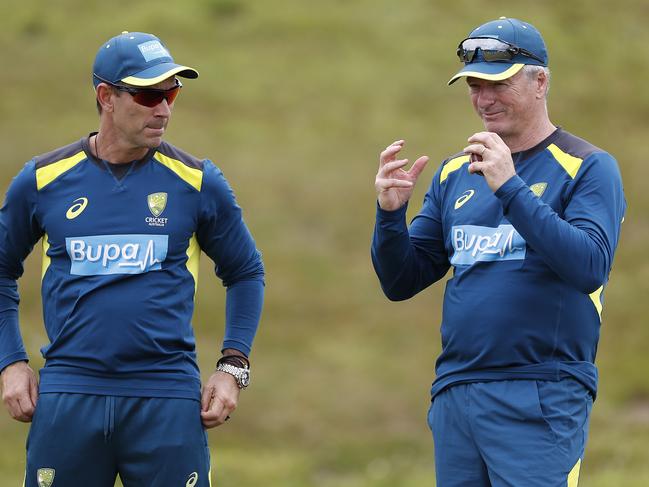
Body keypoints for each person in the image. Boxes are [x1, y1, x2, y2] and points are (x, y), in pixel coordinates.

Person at [0, 31, 264, 487]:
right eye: (147, 94)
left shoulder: (198, 181)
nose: (163, 108)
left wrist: (232, 367)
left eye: (171, 92)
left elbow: (246, 272)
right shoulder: (43, 180)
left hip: (166, 398)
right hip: (69, 394)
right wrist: (10, 361)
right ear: (106, 97)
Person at [372, 17, 625, 486]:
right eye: (474, 85)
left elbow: (590, 265)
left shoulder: (588, 167)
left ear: (540, 81)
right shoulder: (453, 174)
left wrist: (510, 187)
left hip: (541, 393)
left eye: (498, 83)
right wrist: (390, 216)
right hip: (457, 394)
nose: (483, 99)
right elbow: (401, 281)